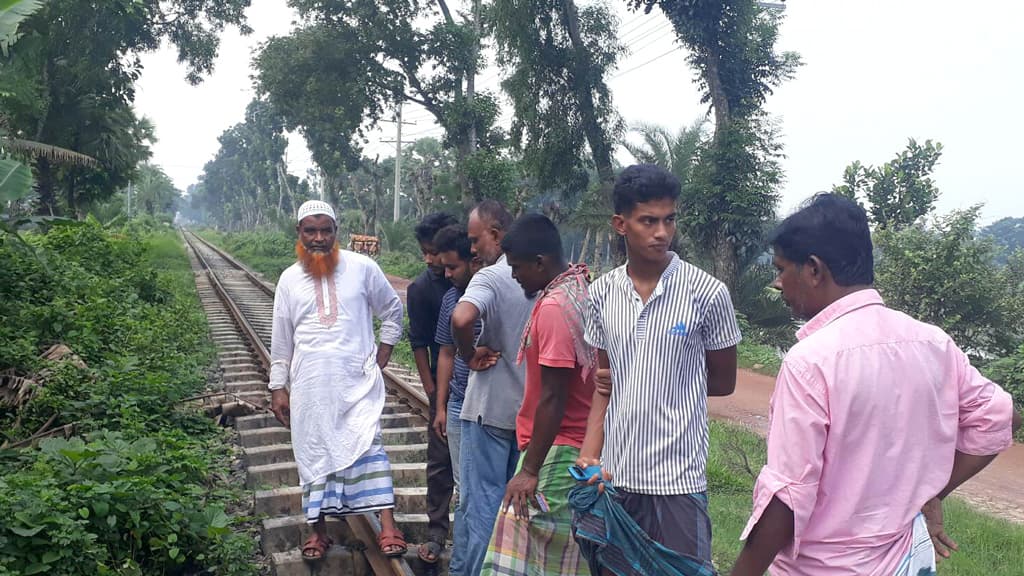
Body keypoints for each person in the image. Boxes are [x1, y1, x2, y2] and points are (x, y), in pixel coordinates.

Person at [729, 193, 1022, 576]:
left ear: (814, 270)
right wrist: (933, 493)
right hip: (907, 559)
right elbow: (1001, 415)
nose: (778, 283)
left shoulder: (811, 362)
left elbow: (788, 495)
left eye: (782, 269)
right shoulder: (932, 342)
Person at [577, 164, 742, 568]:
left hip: (677, 481)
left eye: (669, 220)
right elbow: (605, 382)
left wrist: (668, 388)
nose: (662, 232)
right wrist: (589, 455)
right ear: (621, 224)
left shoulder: (706, 293)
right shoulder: (600, 295)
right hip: (615, 479)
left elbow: (722, 381)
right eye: (648, 221)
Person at [268, 200, 408, 561]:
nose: (318, 238)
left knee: (369, 447)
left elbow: (393, 311)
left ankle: (388, 525)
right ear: (299, 233)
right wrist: (278, 386)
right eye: (310, 231)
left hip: (356, 384)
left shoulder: (362, 268)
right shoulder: (288, 279)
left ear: (336, 232)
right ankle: (318, 531)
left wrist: (382, 356)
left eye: (325, 230)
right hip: (310, 387)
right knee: (313, 454)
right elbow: (281, 339)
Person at [481, 213, 594, 575]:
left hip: (556, 453)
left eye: (516, 268)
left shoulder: (554, 308)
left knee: (521, 559)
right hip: (574, 447)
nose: (515, 277)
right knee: (560, 559)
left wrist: (530, 470)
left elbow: (553, 396)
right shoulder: (580, 290)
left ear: (540, 262)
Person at [451, 200, 535, 575]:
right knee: (513, 513)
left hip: (488, 412)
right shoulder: (544, 276)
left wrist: (468, 353)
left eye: (475, 239)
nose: (472, 249)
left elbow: (461, 316)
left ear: (497, 235)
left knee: (480, 507)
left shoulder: (494, 276)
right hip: (528, 417)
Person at [408, 212, 458, 568]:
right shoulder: (421, 289)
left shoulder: (476, 277)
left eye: (434, 252)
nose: (429, 259)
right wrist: (431, 390)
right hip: (444, 388)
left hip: (480, 386)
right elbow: (419, 343)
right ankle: (437, 532)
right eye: (424, 252)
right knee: (440, 463)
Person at [431, 223, 481, 576]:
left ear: (471, 261)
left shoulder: (490, 291)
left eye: (453, 267)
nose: (447, 275)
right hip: (460, 402)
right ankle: (464, 563)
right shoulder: (450, 299)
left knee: (480, 489)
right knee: (465, 489)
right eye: (444, 268)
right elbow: (446, 353)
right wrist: (440, 406)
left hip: (490, 407)